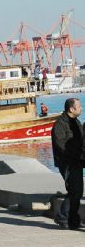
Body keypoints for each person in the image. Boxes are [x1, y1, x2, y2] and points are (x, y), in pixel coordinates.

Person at [51, 98, 84, 230]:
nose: (81, 108)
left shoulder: (76, 122)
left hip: (77, 161)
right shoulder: (60, 124)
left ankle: (73, 220)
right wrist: (77, 154)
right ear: (71, 109)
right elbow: (61, 146)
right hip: (67, 163)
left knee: (78, 191)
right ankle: (63, 216)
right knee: (74, 190)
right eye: (79, 106)